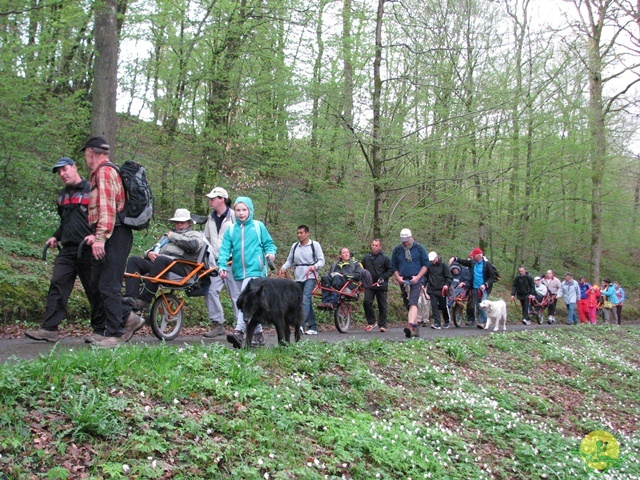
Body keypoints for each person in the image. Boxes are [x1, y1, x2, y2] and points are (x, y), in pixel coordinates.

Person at [25, 158, 97, 343]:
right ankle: (49, 329)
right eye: (59, 172)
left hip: (88, 249)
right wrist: (56, 236)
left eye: (65, 169)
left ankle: (102, 330)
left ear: (74, 167)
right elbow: (65, 222)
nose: (62, 174)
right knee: (57, 284)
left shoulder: (92, 190)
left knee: (94, 290)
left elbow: (102, 217)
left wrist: (97, 236)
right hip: (67, 250)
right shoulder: (62, 196)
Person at [81, 136, 144, 348]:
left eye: (86, 154)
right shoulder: (103, 172)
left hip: (115, 234)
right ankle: (112, 325)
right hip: (109, 232)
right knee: (97, 283)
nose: (86, 158)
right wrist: (96, 234)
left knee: (109, 284)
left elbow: (108, 209)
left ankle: (117, 333)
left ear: (91, 152)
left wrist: (100, 238)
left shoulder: (105, 172)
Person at [217, 197, 276, 348]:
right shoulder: (231, 229)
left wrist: (270, 254)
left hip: (256, 269)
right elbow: (224, 250)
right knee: (248, 303)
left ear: (250, 210)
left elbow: (269, 244)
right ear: (234, 211)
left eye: (244, 210)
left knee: (246, 299)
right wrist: (222, 266)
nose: (241, 213)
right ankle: (258, 334)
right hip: (238, 271)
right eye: (238, 210)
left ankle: (239, 332)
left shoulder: (258, 226)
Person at [123, 209, 204, 309]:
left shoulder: (195, 235)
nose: (179, 225)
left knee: (161, 259)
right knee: (134, 260)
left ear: (189, 223)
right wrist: (149, 253)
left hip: (182, 266)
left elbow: (193, 246)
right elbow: (156, 246)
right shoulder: (168, 235)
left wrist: (174, 236)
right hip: (161, 263)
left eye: (182, 222)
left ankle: (145, 299)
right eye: (177, 222)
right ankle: (130, 297)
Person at [202, 187, 240, 338]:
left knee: (236, 295)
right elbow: (206, 239)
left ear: (222, 199)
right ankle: (218, 325)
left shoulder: (234, 216)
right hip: (216, 263)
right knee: (210, 291)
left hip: (233, 262)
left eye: (213, 198)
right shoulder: (210, 218)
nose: (210, 201)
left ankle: (240, 327)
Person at [280, 225, 325, 335]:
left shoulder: (315, 245)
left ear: (307, 234)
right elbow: (290, 260)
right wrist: (283, 268)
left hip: (310, 275)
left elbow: (321, 260)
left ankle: (300, 325)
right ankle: (313, 326)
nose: (299, 235)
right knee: (302, 300)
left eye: (301, 233)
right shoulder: (295, 246)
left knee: (305, 298)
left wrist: (314, 267)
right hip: (298, 276)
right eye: (298, 233)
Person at [390, 228, 429, 338]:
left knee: (413, 301)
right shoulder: (397, 250)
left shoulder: (419, 248)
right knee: (408, 303)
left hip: (416, 279)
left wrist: (418, 277)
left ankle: (410, 325)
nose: (405, 243)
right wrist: (398, 277)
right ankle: (415, 328)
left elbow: (426, 265)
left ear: (411, 237)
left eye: (407, 240)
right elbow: (393, 266)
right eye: (403, 241)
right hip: (404, 279)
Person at [451, 247, 498, 329]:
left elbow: (492, 277)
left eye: (474, 255)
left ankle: (482, 322)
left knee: (484, 304)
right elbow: (464, 262)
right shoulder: (473, 263)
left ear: (478, 256)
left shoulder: (487, 264)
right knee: (478, 305)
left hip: (484, 289)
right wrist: (455, 258)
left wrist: (486, 284)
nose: (472, 257)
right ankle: (481, 320)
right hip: (475, 288)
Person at [362, 239, 393, 332]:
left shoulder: (385, 258)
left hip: (381, 285)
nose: (374, 247)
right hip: (369, 285)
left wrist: (383, 277)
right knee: (366, 302)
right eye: (373, 245)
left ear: (380, 247)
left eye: (376, 245)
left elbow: (390, 270)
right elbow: (361, 269)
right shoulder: (366, 257)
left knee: (382, 305)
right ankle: (371, 322)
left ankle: (382, 325)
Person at [425, 251, 452, 329]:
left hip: (442, 289)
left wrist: (447, 285)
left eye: (433, 260)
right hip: (432, 289)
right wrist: (423, 284)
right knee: (434, 306)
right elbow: (426, 277)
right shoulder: (429, 267)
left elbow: (449, 277)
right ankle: (437, 323)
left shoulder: (444, 266)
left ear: (437, 258)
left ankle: (446, 320)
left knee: (443, 306)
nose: (432, 262)